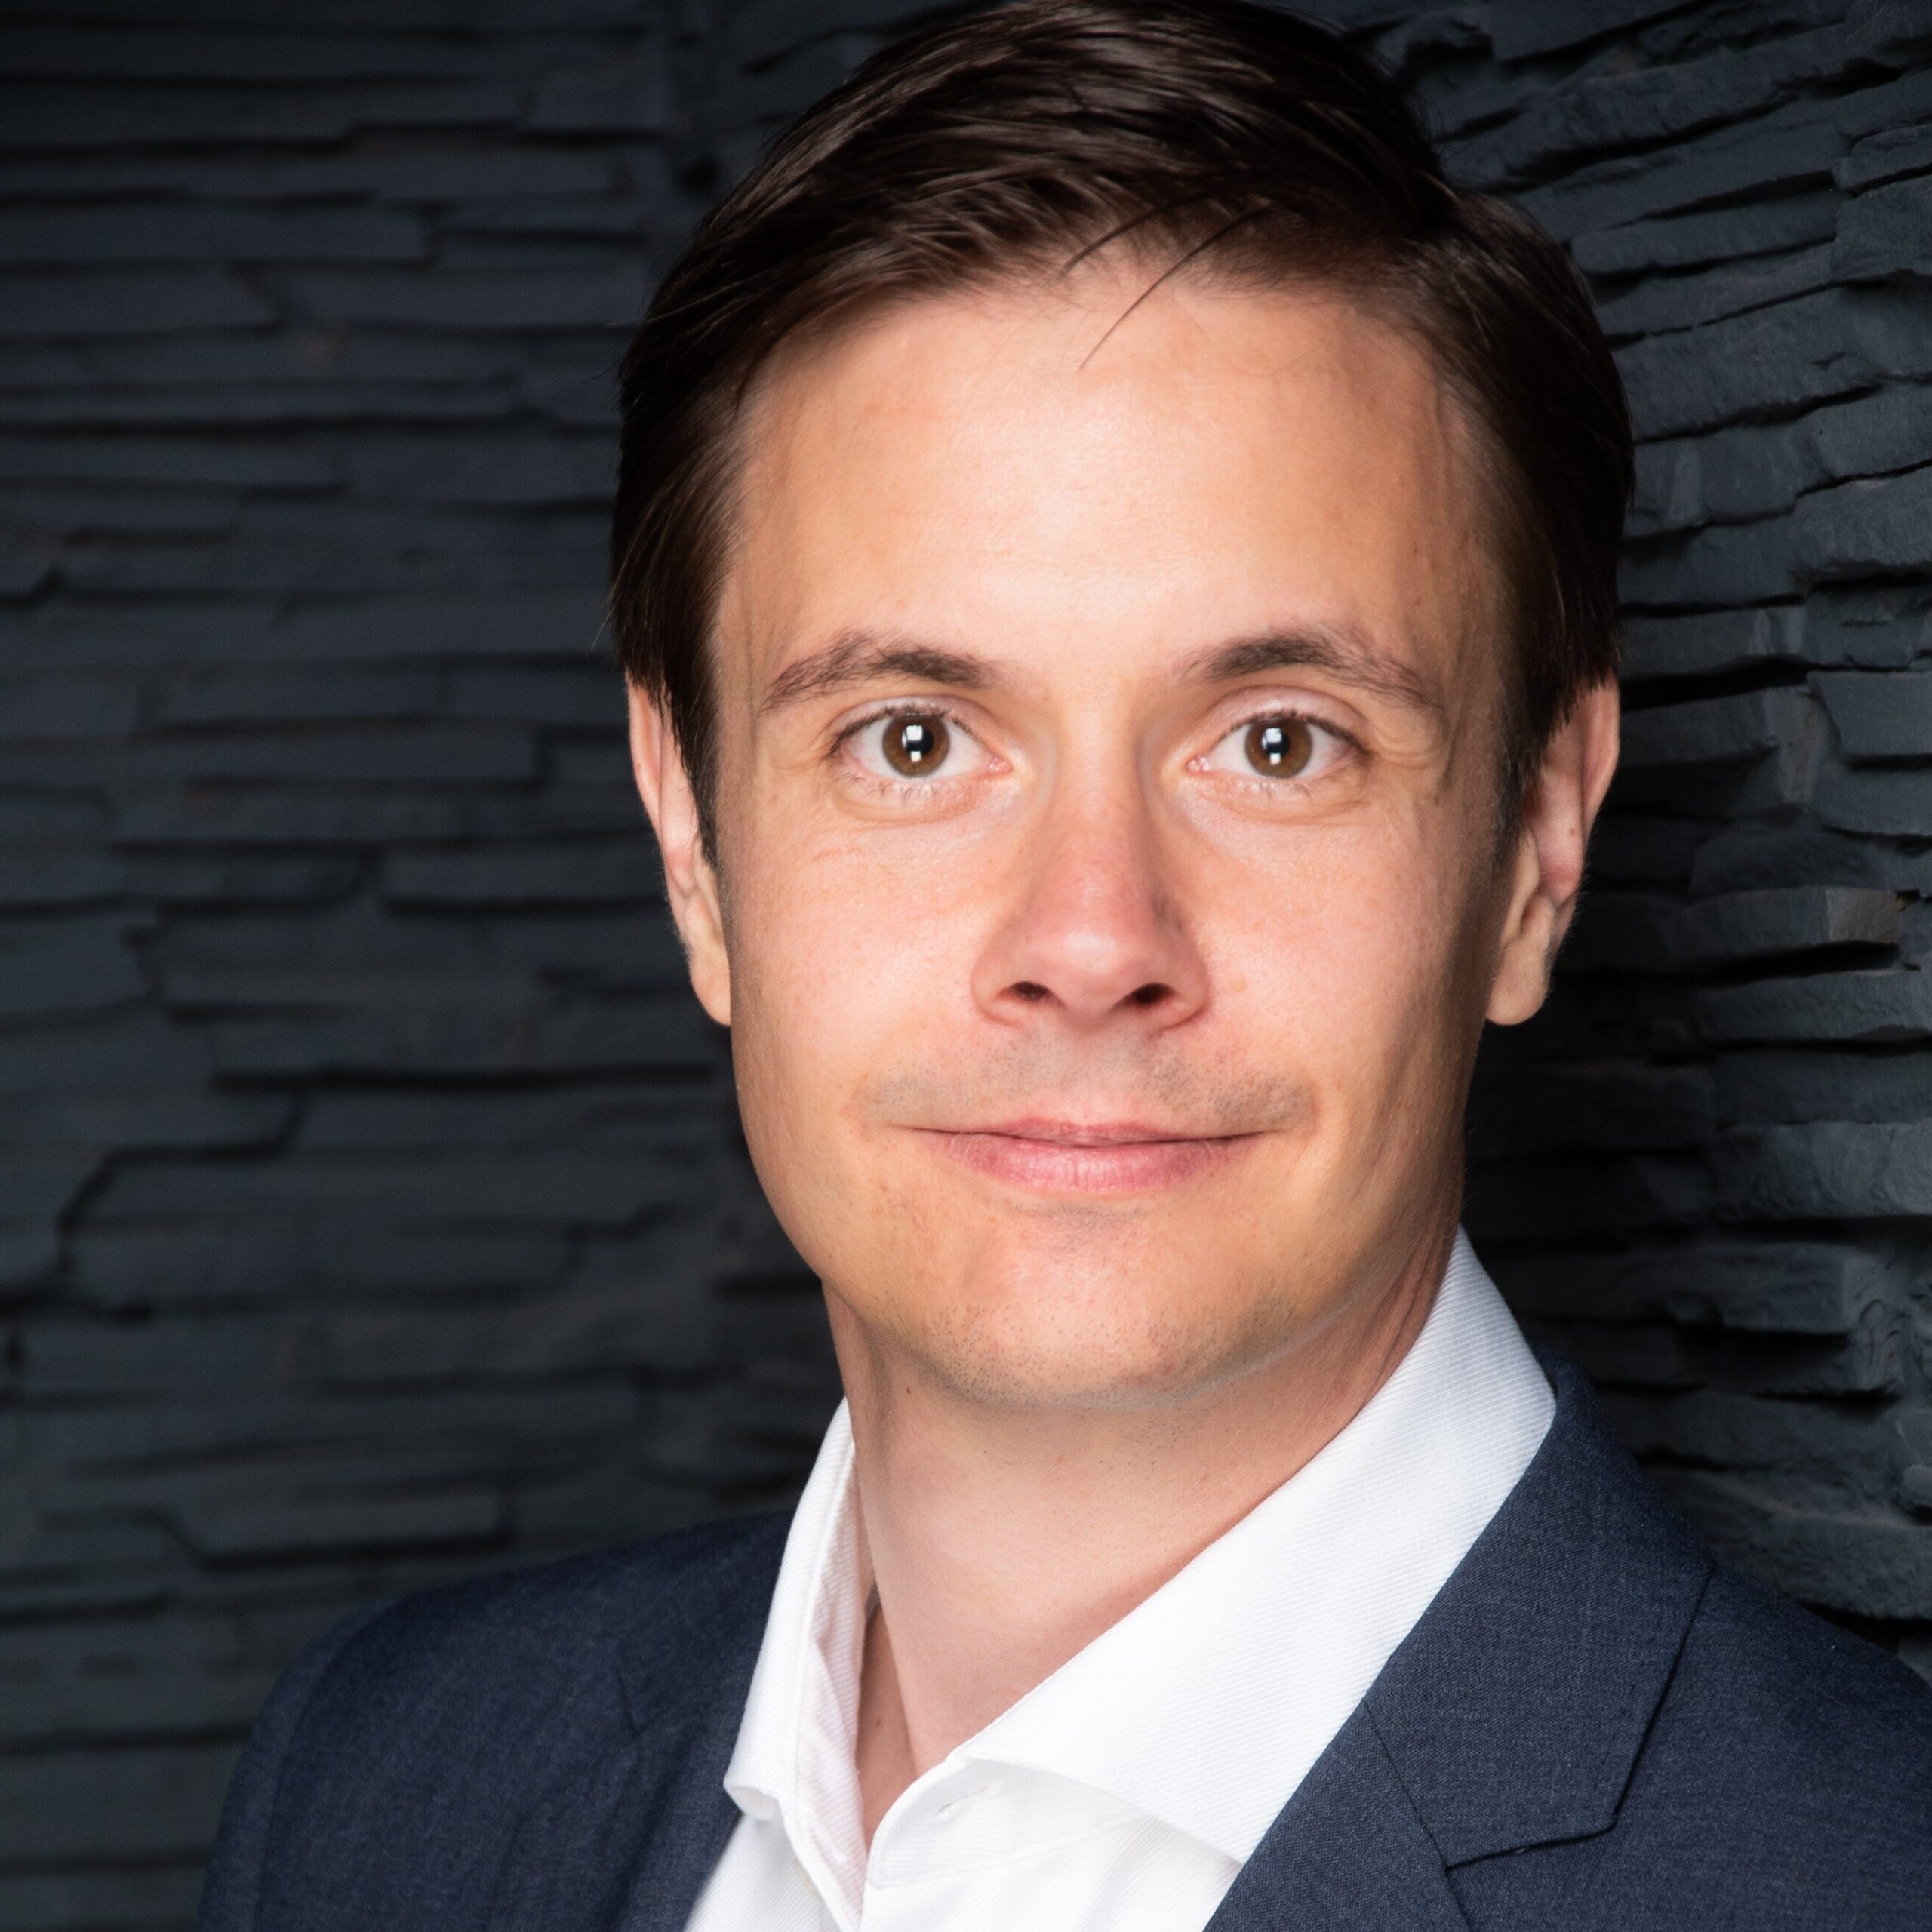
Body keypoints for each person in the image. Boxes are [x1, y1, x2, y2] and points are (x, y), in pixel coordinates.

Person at [195, 4, 1932, 1928]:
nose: (1092, 942)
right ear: (692, 840)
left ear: (1535, 840)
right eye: (913, 740)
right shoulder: (375, 1776)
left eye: (1276, 740)